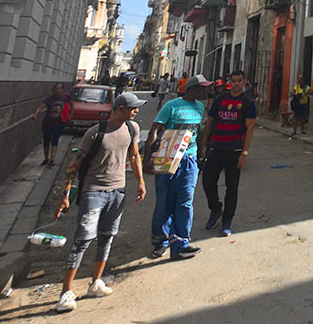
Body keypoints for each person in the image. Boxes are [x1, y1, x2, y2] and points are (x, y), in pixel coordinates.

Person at [52, 92, 146, 313]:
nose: (137, 111)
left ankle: (96, 282)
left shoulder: (132, 128)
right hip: (93, 191)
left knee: (107, 237)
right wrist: (66, 194)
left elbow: (134, 156)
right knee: (83, 239)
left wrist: (140, 181)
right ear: (120, 108)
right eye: (133, 107)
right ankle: (66, 292)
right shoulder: (96, 133)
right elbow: (75, 164)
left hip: (118, 191)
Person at [144, 75, 210, 260]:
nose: (205, 91)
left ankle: (181, 243)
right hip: (168, 157)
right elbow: (154, 131)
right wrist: (147, 159)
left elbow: (198, 132)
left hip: (189, 160)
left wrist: (202, 153)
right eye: (202, 88)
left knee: (185, 201)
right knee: (164, 202)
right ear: (192, 89)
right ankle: (160, 242)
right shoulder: (171, 106)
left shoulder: (200, 107)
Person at [199, 70, 256, 237]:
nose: (237, 84)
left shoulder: (248, 102)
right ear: (230, 82)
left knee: (232, 187)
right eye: (234, 81)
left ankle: (227, 220)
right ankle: (216, 209)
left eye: (239, 81)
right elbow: (210, 121)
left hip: (234, 149)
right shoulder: (221, 99)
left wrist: (245, 152)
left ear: (244, 82)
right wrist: (204, 144)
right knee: (208, 181)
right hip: (216, 147)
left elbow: (250, 128)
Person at [32, 83, 70, 166]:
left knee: (55, 140)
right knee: (46, 141)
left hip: (59, 123)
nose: (58, 90)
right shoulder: (49, 99)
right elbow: (41, 107)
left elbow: (72, 105)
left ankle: (52, 159)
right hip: (48, 123)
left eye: (60, 88)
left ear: (62, 89)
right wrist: (36, 114)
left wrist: (70, 116)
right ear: (54, 90)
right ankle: (46, 158)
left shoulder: (66, 97)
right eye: (56, 88)